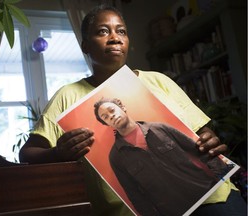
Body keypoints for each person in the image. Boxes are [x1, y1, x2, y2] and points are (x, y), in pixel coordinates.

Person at [19, 4, 246, 216]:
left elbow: (205, 133)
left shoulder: (159, 81)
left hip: (213, 199)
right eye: (102, 32)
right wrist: (58, 153)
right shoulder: (67, 97)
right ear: (85, 45)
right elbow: (27, 154)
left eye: (121, 31)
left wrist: (210, 141)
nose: (115, 38)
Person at [93, 97, 233, 216]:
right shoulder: (116, 157)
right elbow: (135, 195)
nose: (110, 116)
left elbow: (199, 150)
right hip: (175, 211)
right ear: (106, 123)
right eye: (105, 117)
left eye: (111, 110)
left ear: (122, 107)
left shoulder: (160, 128)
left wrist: (225, 173)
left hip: (209, 196)